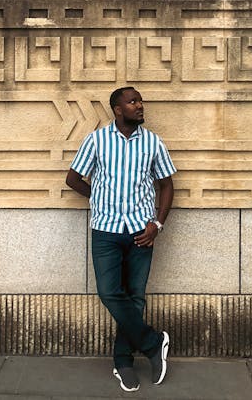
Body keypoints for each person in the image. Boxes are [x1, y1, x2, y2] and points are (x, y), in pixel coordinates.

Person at [65, 86, 176, 392]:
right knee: (110, 292)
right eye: (133, 101)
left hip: (142, 231)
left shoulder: (153, 143)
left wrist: (158, 224)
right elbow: (73, 179)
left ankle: (123, 362)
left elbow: (167, 185)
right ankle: (153, 342)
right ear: (117, 109)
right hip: (106, 231)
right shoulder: (97, 141)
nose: (140, 106)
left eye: (140, 101)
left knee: (135, 296)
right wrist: (98, 198)